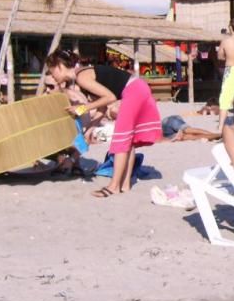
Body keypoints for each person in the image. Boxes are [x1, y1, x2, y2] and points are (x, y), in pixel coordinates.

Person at [46, 49, 162, 197]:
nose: (53, 77)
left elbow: (110, 97)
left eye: (52, 72)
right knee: (129, 141)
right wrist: (91, 127)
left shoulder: (82, 77)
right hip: (138, 87)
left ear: (60, 66)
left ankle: (113, 187)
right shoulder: (82, 75)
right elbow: (103, 106)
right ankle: (125, 185)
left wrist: (81, 109)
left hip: (133, 91)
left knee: (121, 139)